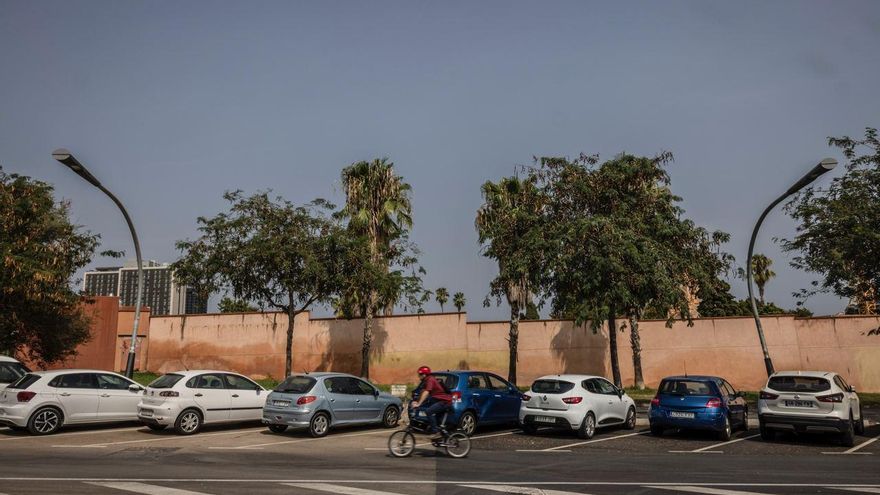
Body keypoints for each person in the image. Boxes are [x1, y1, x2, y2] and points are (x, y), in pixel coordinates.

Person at [411, 366, 452, 438]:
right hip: (439, 401)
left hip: (444, 401)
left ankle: (436, 432)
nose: (418, 376)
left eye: (419, 375)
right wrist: (416, 402)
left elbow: (427, 392)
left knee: (428, 411)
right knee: (436, 421)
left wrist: (419, 404)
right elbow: (422, 392)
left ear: (424, 375)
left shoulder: (430, 379)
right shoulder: (426, 381)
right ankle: (442, 437)